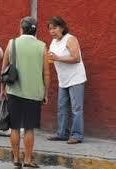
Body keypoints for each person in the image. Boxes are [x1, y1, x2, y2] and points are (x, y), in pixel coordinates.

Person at [0, 16, 50, 168]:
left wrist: (2, 89)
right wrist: (45, 93)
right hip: (34, 93)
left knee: (14, 127)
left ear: (21, 28)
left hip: (14, 90)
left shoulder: (12, 43)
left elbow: (4, 69)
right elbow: (46, 73)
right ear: (35, 30)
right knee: (29, 127)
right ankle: (27, 160)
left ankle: (16, 159)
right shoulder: (42, 46)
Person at [46, 16, 87, 144]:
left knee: (76, 108)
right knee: (62, 107)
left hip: (75, 79)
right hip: (63, 80)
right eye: (50, 29)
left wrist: (57, 58)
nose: (52, 31)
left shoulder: (70, 39)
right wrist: (50, 58)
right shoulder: (53, 42)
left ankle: (77, 135)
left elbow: (76, 58)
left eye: (55, 28)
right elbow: (54, 58)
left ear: (62, 27)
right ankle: (62, 133)